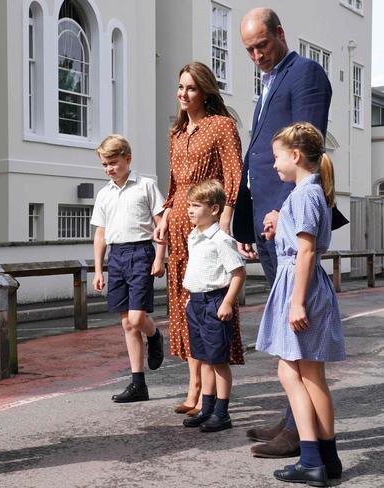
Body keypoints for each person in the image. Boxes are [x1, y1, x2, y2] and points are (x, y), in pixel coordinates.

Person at [235, 7, 346, 458]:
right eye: (249, 50)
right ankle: (290, 422)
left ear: (281, 34)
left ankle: (299, 436)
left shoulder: (306, 74)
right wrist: (246, 218)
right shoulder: (267, 80)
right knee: (286, 336)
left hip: (286, 215)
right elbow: (258, 156)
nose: (257, 55)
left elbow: (305, 147)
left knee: (295, 337)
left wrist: (283, 211)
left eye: (262, 45)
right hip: (265, 214)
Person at [154, 62, 244, 416]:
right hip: (178, 226)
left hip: (207, 226)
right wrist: (163, 218)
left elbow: (233, 177)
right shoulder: (175, 133)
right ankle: (193, 386)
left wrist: (224, 223)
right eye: (180, 87)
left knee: (209, 300)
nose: (183, 94)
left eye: (191, 88)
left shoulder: (221, 126)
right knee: (184, 307)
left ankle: (210, 393)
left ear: (205, 91)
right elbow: (175, 186)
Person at [257, 122, 345, 485]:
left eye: (277, 156)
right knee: (308, 376)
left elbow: (306, 250)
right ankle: (326, 459)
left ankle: (311, 459)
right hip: (301, 284)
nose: (274, 163)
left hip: (301, 288)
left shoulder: (304, 195)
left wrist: (297, 304)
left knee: (296, 373)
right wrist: (281, 225)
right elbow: (301, 241)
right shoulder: (307, 193)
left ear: (295, 156)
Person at [91, 134, 167, 403]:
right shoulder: (104, 194)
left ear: (127, 158)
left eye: (113, 162)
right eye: (105, 164)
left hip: (141, 252)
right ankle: (138, 384)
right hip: (117, 256)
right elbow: (100, 234)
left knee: (136, 318)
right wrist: (99, 270)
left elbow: (160, 225)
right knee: (126, 323)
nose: (110, 168)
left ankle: (155, 336)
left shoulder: (146, 186)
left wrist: (160, 257)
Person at [179, 180, 246, 433]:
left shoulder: (221, 240)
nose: (190, 210)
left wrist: (228, 302)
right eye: (189, 205)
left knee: (218, 361)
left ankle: (222, 412)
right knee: (203, 358)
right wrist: (190, 297)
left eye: (196, 206)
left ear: (215, 209)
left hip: (215, 303)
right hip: (195, 303)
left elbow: (238, 273)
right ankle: (206, 408)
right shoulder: (194, 236)